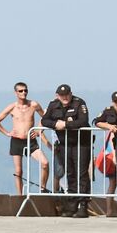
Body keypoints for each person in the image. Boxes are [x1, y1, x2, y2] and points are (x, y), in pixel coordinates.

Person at [42, 84, 92, 217]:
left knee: (81, 173)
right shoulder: (53, 105)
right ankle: (72, 205)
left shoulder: (79, 103)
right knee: (70, 173)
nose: (65, 97)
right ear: (57, 95)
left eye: (67, 94)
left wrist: (65, 125)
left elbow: (83, 121)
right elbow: (44, 120)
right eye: (62, 95)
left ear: (71, 93)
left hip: (81, 144)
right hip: (64, 144)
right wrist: (55, 124)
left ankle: (83, 205)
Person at [0, 82, 49, 195]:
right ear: (16, 93)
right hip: (16, 140)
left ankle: (43, 188)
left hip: (30, 140)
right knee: (18, 171)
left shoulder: (33, 105)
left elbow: (46, 118)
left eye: (25, 90)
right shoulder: (12, 107)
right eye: (21, 91)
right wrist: (7, 133)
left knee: (45, 163)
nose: (24, 93)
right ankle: (20, 196)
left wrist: (38, 130)